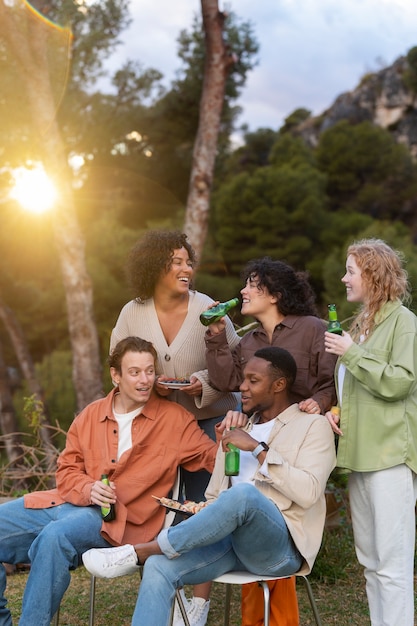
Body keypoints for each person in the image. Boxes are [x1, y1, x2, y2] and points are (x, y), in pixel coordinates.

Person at [82, 346, 336, 626]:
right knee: (159, 566)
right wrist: (223, 449)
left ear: (279, 385)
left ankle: (141, 551)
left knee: (244, 495)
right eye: (243, 379)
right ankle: (150, 555)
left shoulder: (312, 426)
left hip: (279, 548)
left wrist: (258, 450)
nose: (242, 388)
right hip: (231, 544)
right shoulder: (241, 430)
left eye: (253, 381)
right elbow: (216, 495)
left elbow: (310, 492)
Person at [0, 336, 232, 626]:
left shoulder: (174, 419)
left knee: (54, 537)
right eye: (135, 372)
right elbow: (66, 471)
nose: (145, 380)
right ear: (116, 376)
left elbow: (212, 459)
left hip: (117, 522)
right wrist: (88, 487)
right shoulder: (90, 415)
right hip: (65, 503)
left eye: (150, 371)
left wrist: (225, 441)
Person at [110, 230, 240, 625]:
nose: (187, 269)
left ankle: (198, 607)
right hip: (160, 425)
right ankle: (167, 592)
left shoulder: (209, 308)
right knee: (160, 508)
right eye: (177, 262)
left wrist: (201, 381)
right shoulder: (132, 311)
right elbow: (117, 362)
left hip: (210, 422)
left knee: (204, 511)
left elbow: (235, 368)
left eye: (189, 261)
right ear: (156, 266)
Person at [204, 256, 338, 626]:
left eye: (252, 284)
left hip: (302, 435)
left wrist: (322, 402)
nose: (243, 290)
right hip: (259, 433)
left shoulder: (312, 329)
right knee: (251, 502)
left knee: (278, 512)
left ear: (275, 294)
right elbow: (229, 381)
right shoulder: (248, 339)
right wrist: (216, 337)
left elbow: (331, 380)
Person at [323, 238, 417, 626]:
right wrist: (336, 409)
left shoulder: (405, 323)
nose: (344, 278)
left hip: (390, 457)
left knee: (392, 565)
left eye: (351, 271)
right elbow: (355, 386)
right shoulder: (359, 326)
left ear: (374, 276)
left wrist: (351, 353)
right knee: (372, 563)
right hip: (359, 458)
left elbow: (401, 383)